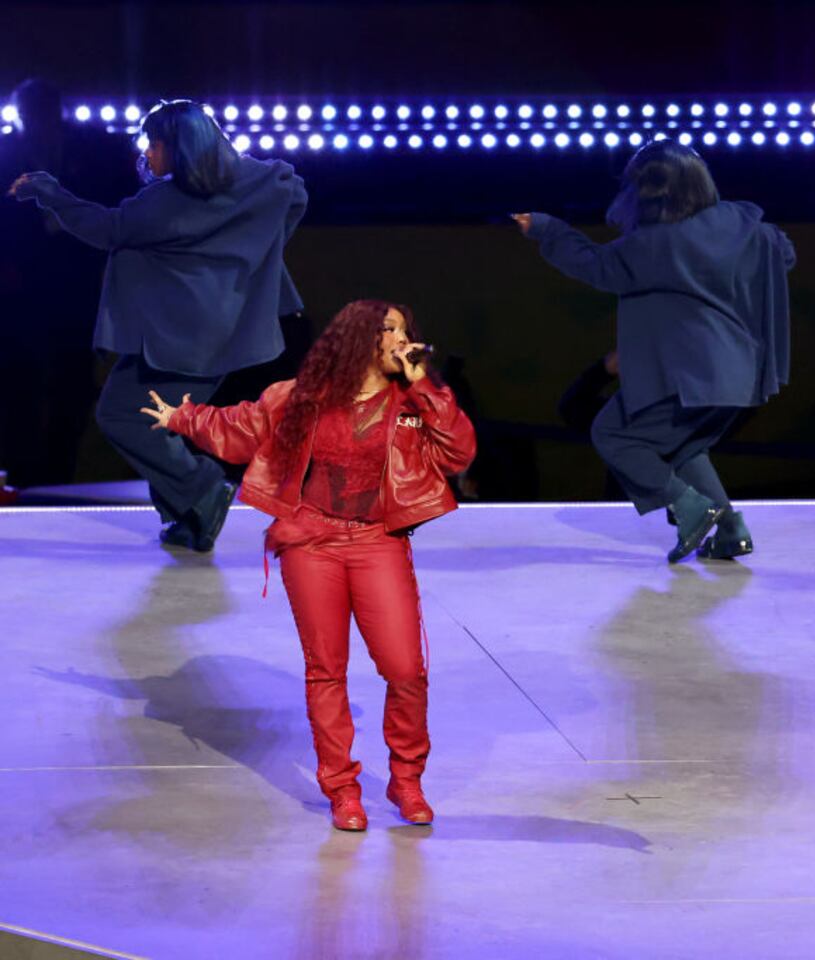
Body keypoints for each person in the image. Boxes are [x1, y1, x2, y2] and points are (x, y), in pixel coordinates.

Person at [141, 300, 477, 832]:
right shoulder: (302, 396)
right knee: (326, 669)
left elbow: (458, 453)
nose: (401, 339)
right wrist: (183, 418)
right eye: (389, 329)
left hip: (377, 541)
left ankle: (406, 779)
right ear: (359, 337)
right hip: (311, 541)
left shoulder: (412, 402)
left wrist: (427, 388)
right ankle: (342, 788)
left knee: (405, 669)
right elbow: (241, 426)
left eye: (405, 330)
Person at [7, 99, 307, 550]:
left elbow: (106, 228)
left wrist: (49, 191)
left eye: (155, 144)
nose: (146, 153)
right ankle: (190, 517)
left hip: (179, 340)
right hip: (217, 335)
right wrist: (249, 250)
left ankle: (205, 489)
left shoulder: (167, 203)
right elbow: (295, 192)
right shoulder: (257, 183)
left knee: (121, 415)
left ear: (180, 146)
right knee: (152, 420)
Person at [514, 140, 794, 562]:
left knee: (613, 434)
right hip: (737, 372)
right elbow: (783, 253)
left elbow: (595, 265)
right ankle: (730, 530)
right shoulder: (742, 223)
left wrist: (546, 229)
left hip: (684, 373)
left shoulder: (652, 245)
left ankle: (689, 506)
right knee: (684, 447)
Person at [0, 78, 131, 487]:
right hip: (19, 294)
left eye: (41, 113)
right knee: (19, 384)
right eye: (29, 115)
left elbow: (118, 205)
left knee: (71, 384)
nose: (35, 123)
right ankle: (22, 475)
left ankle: (57, 474)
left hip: (77, 290)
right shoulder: (7, 154)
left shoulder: (94, 152)